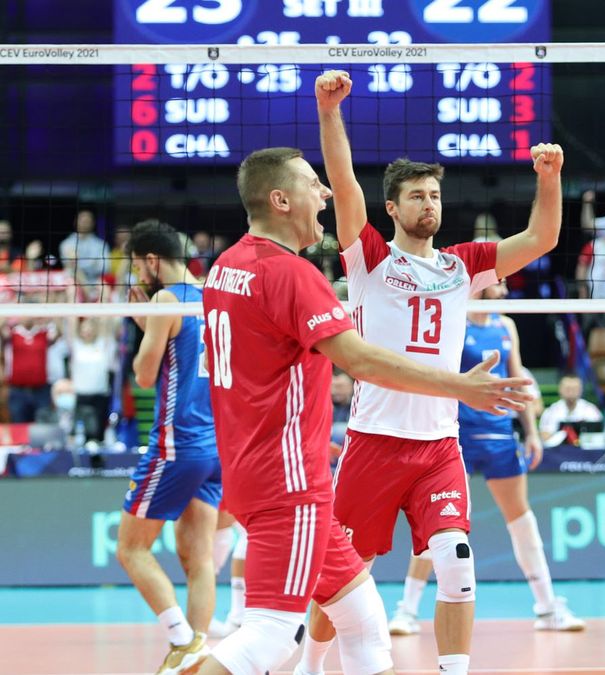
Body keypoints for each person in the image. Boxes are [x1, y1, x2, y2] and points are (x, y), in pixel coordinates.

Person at [195, 146, 532, 675]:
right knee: (269, 635)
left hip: (258, 466)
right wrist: (459, 386)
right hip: (290, 482)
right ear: (281, 200)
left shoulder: (226, 267)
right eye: (312, 184)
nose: (324, 193)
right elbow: (361, 361)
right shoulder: (294, 275)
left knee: (365, 623)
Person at [300, 70, 561, 675]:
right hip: (373, 443)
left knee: (458, 564)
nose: (429, 204)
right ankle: (310, 665)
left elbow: (543, 237)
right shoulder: (369, 257)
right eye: (417, 196)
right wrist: (329, 112)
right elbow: (344, 183)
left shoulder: (462, 265)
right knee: (342, 583)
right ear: (393, 207)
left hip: (439, 446)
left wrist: (549, 178)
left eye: (435, 195)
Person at [389, 280, 585, 636]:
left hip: (500, 437)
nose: (506, 290)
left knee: (522, 521)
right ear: (483, 284)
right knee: (439, 524)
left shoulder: (505, 325)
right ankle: (406, 611)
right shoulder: (454, 320)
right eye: (501, 283)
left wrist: (531, 431)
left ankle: (547, 609)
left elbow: (517, 378)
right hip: (457, 436)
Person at [117, 219, 223, 674]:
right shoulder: (212, 296)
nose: (138, 274)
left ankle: (182, 639)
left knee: (130, 549)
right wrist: (151, 325)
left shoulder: (165, 299)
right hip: (216, 445)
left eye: (138, 265)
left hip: (177, 444)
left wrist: (146, 325)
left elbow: (144, 376)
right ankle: (194, 654)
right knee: (198, 559)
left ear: (152, 260)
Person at [538, 373, 604, 444]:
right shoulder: (550, 411)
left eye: (575, 389)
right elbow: (544, 436)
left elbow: (598, 436)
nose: (571, 392)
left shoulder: (591, 410)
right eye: (568, 389)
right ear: (560, 389)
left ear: (581, 390)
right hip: (558, 449)